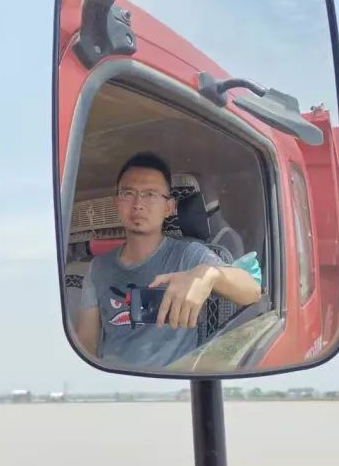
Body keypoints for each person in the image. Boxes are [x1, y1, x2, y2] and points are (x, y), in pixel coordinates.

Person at [74, 152, 261, 368]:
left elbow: (252, 290)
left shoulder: (189, 255)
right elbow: (86, 345)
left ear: (169, 208)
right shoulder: (98, 268)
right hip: (113, 379)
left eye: (150, 194)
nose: (138, 204)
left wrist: (209, 275)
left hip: (171, 380)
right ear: (117, 203)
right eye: (128, 193)